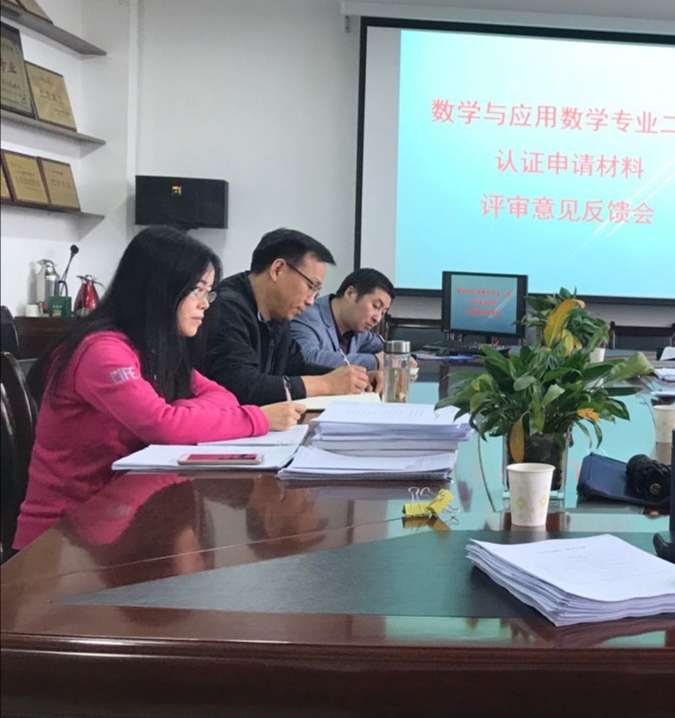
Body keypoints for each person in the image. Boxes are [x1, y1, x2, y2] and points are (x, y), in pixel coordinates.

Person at [13, 227, 303, 551]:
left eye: (208, 292)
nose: (205, 305)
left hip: (117, 520)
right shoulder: (102, 351)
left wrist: (178, 412)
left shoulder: (154, 348)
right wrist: (258, 419)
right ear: (158, 290)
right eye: (197, 291)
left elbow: (223, 397)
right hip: (57, 542)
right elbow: (163, 426)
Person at [204, 228, 371, 405]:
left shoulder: (278, 313)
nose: (311, 301)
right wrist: (327, 384)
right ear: (278, 269)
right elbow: (242, 386)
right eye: (311, 287)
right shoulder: (226, 307)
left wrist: (353, 380)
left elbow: (294, 367)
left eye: (316, 292)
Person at [292, 268, 396, 370]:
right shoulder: (307, 315)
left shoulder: (359, 330)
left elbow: (389, 350)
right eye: (376, 306)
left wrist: (403, 356)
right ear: (350, 294)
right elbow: (306, 358)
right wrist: (375, 361)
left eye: (383, 312)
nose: (377, 319)